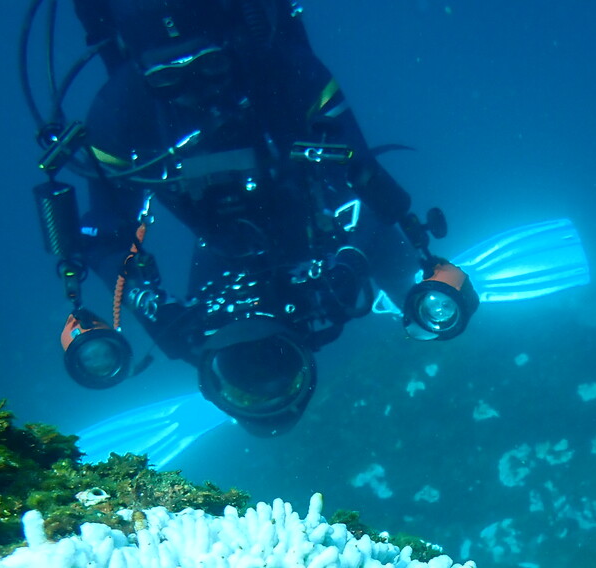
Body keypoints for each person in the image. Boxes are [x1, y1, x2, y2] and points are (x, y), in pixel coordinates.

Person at [31, 0, 478, 437]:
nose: (195, 90)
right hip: (222, 241)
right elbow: (105, 235)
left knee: (424, 313)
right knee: (212, 343)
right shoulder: (120, 108)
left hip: (303, 214)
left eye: (209, 66)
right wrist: (155, 310)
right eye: (167, 78)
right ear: (143, 71)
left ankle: (453, 382)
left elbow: (357, 175)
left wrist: (349, 264)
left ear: (230, 47)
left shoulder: (285, 69)